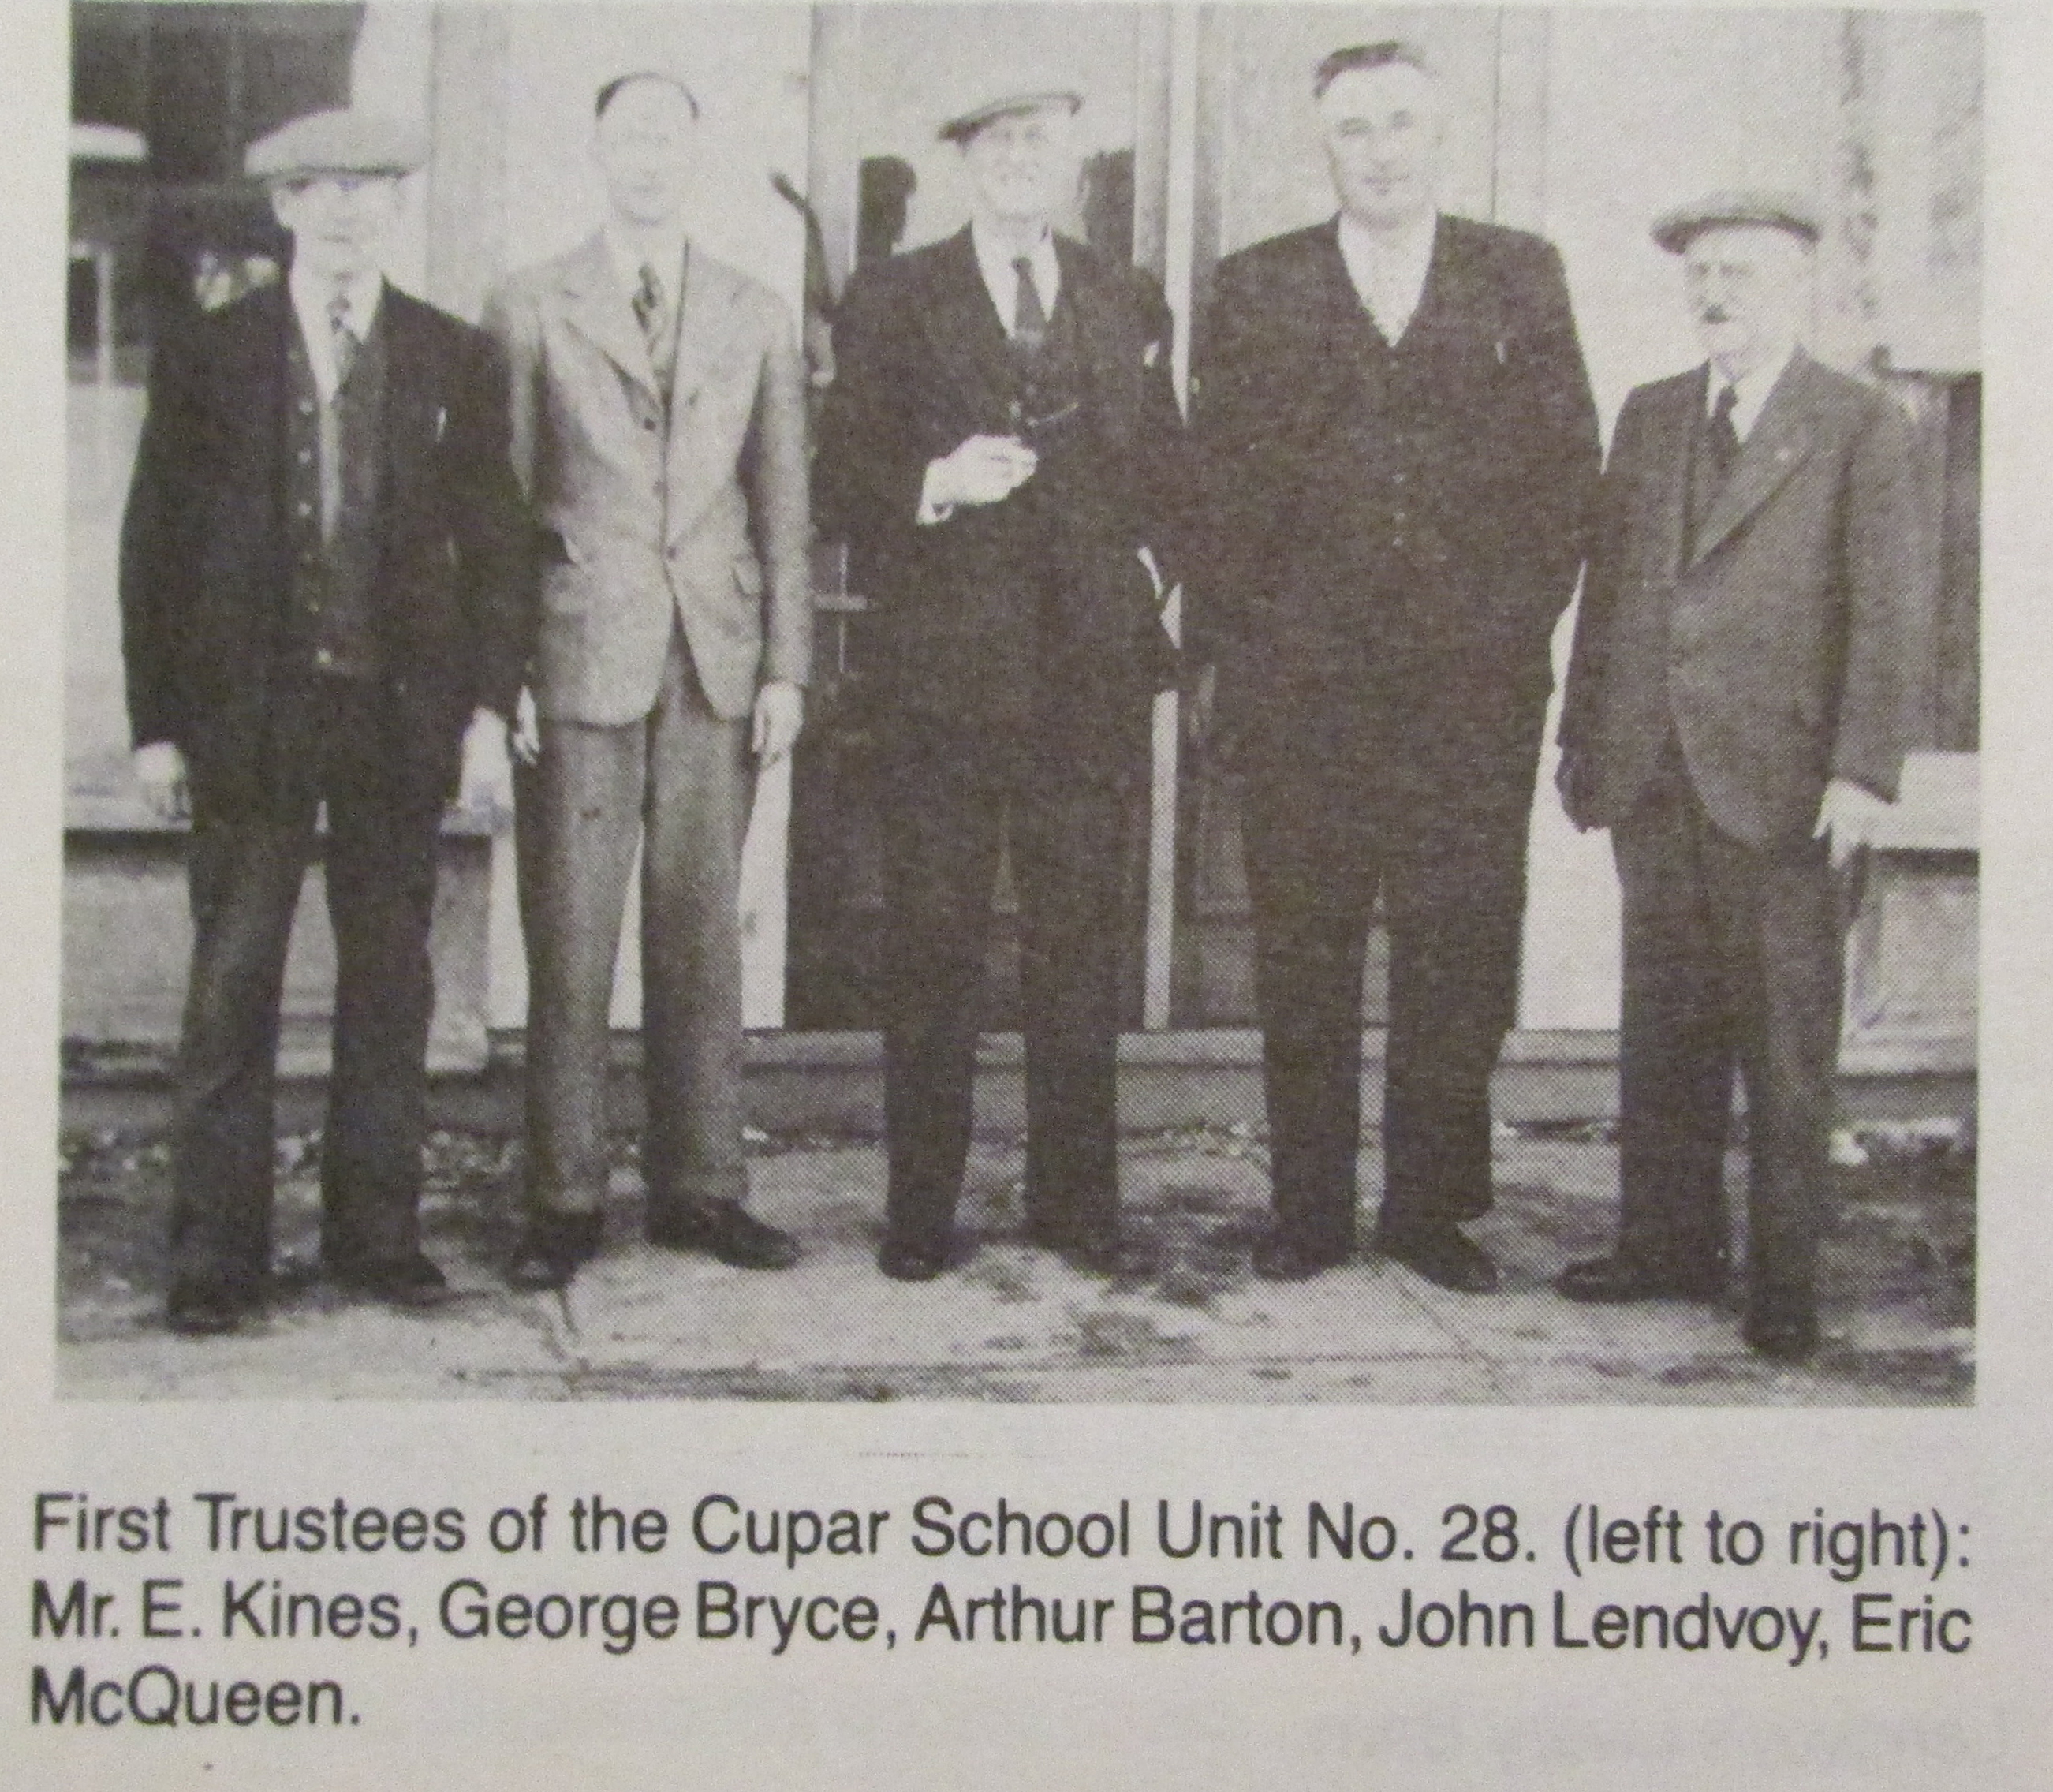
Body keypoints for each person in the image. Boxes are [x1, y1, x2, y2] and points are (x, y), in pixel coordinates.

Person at [1191, 41, 1599, 1290]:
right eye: (1356, 130)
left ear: (1439, 136)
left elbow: (1566, 478)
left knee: (1457, 948)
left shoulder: (1516, 276)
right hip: (1301, 695)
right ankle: (1308, 1210)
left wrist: (1497, 634)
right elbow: (1217, 491)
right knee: (1303, 950)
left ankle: (1431, 1210)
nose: (1381, 151)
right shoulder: (1258, 285)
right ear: (1327, 147)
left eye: (1401, 125)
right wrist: (1251, 650)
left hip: (1467, 696)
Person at [118, 110, 536, 1335]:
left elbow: (499, 550)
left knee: (389, 984)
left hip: (396, 718)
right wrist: (156, 726)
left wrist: (482, 710)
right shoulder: (211, 352)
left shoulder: (450, 354)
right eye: (320, 188)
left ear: (392, 206)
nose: (347, 209)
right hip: (246, 719)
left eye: (369, 187)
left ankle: (375, 1235)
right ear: (286, 207)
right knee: (234, 980)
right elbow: (156, 547)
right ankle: (216, 1257)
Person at [814, 80, 1187, 1281]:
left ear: (1073, 163)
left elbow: (1171, 468)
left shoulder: (1121, 296)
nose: (1024, 161)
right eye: (1000, 141)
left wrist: (1150, 570)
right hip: (944, 684)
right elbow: (839, 477)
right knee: (935, 946)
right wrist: (933, 478)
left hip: (1087, 680)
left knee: (1081, 946)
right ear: (966, 162)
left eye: (1044, 142)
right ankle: (922, 1209)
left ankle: (1076, 1202)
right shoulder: (895, 296)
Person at [1553, 192, 1913, 1361]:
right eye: (1701, 275)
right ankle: (1667, 1243)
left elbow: (1888, 615)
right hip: (1652, 772)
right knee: (1665, 1027)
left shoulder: (1855, 424)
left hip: (1784, 783)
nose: (1715, 296)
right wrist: (1580, 741)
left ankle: (1786, 1280)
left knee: (1785, 1043)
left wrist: (1861, 772)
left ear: (1799, 286)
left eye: (1742, 276)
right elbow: (1611, 593)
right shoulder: (1654, 416)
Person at [483, 71, 812, 1291]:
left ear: (695, 152)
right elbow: (503, 506)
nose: (648, 159)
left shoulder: (754, 310)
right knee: (568, 935)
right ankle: (562, 1198)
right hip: (576, 653)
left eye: (669, 138)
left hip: (715, 661)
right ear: (597, 150)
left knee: (700, 936)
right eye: (627, 137)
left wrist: (786, 665)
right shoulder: (530, 306)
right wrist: (501, 669)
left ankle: (702, 1186)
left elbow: (785, 501)